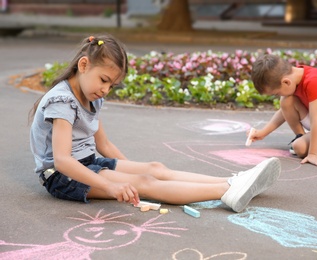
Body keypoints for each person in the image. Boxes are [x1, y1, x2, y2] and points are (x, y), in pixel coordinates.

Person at [29, 35, 281, 213]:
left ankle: (232, 179)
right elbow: (62, 160)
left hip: (88, 163)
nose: (105, 89)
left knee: (153, 169)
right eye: (104, 80)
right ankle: (227, 191)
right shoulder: (62, 100)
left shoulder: (92, 95)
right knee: (147, 184)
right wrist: (113, 184)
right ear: (83, 65)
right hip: (62, 177)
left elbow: (102, 142)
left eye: (111, 85)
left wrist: (132, 173)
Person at [248, 54, 317, 167]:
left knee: (299, 148)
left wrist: (312, 154)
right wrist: (262, 133)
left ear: (286, 82)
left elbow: (316, 120)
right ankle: (301, 137)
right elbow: (283, 111)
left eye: (276, 93)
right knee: (286, 101)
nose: (277, 96)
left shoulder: (313, 81)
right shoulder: (295, 75)